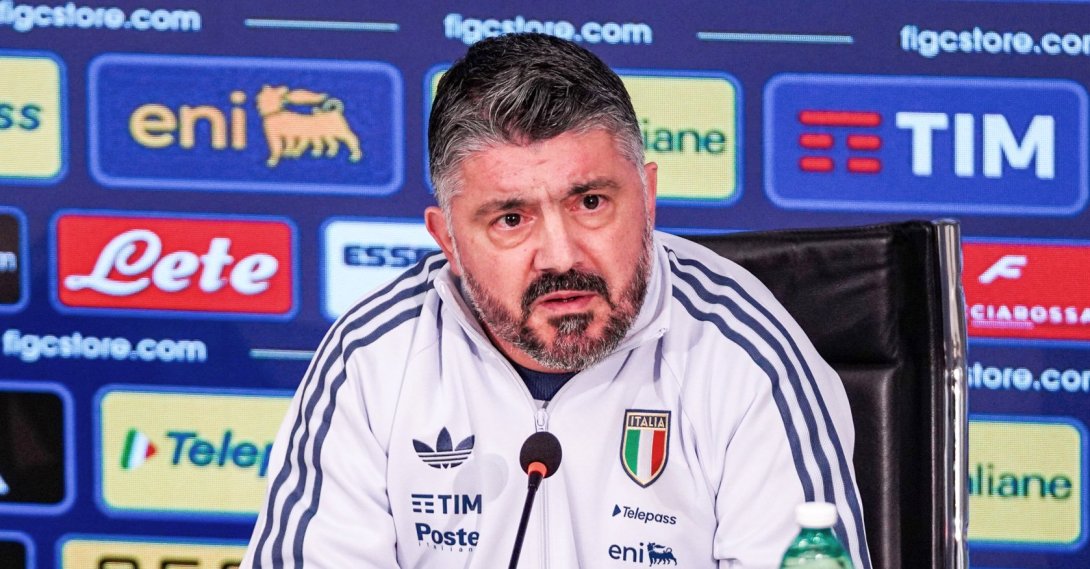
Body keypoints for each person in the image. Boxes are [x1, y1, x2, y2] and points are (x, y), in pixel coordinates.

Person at [242, 33, 870, 569]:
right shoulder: (374, 360)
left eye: (590, 203)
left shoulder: (742, 355)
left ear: (647, 198)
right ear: (449, 241)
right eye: (511, 219)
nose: (561, 255)